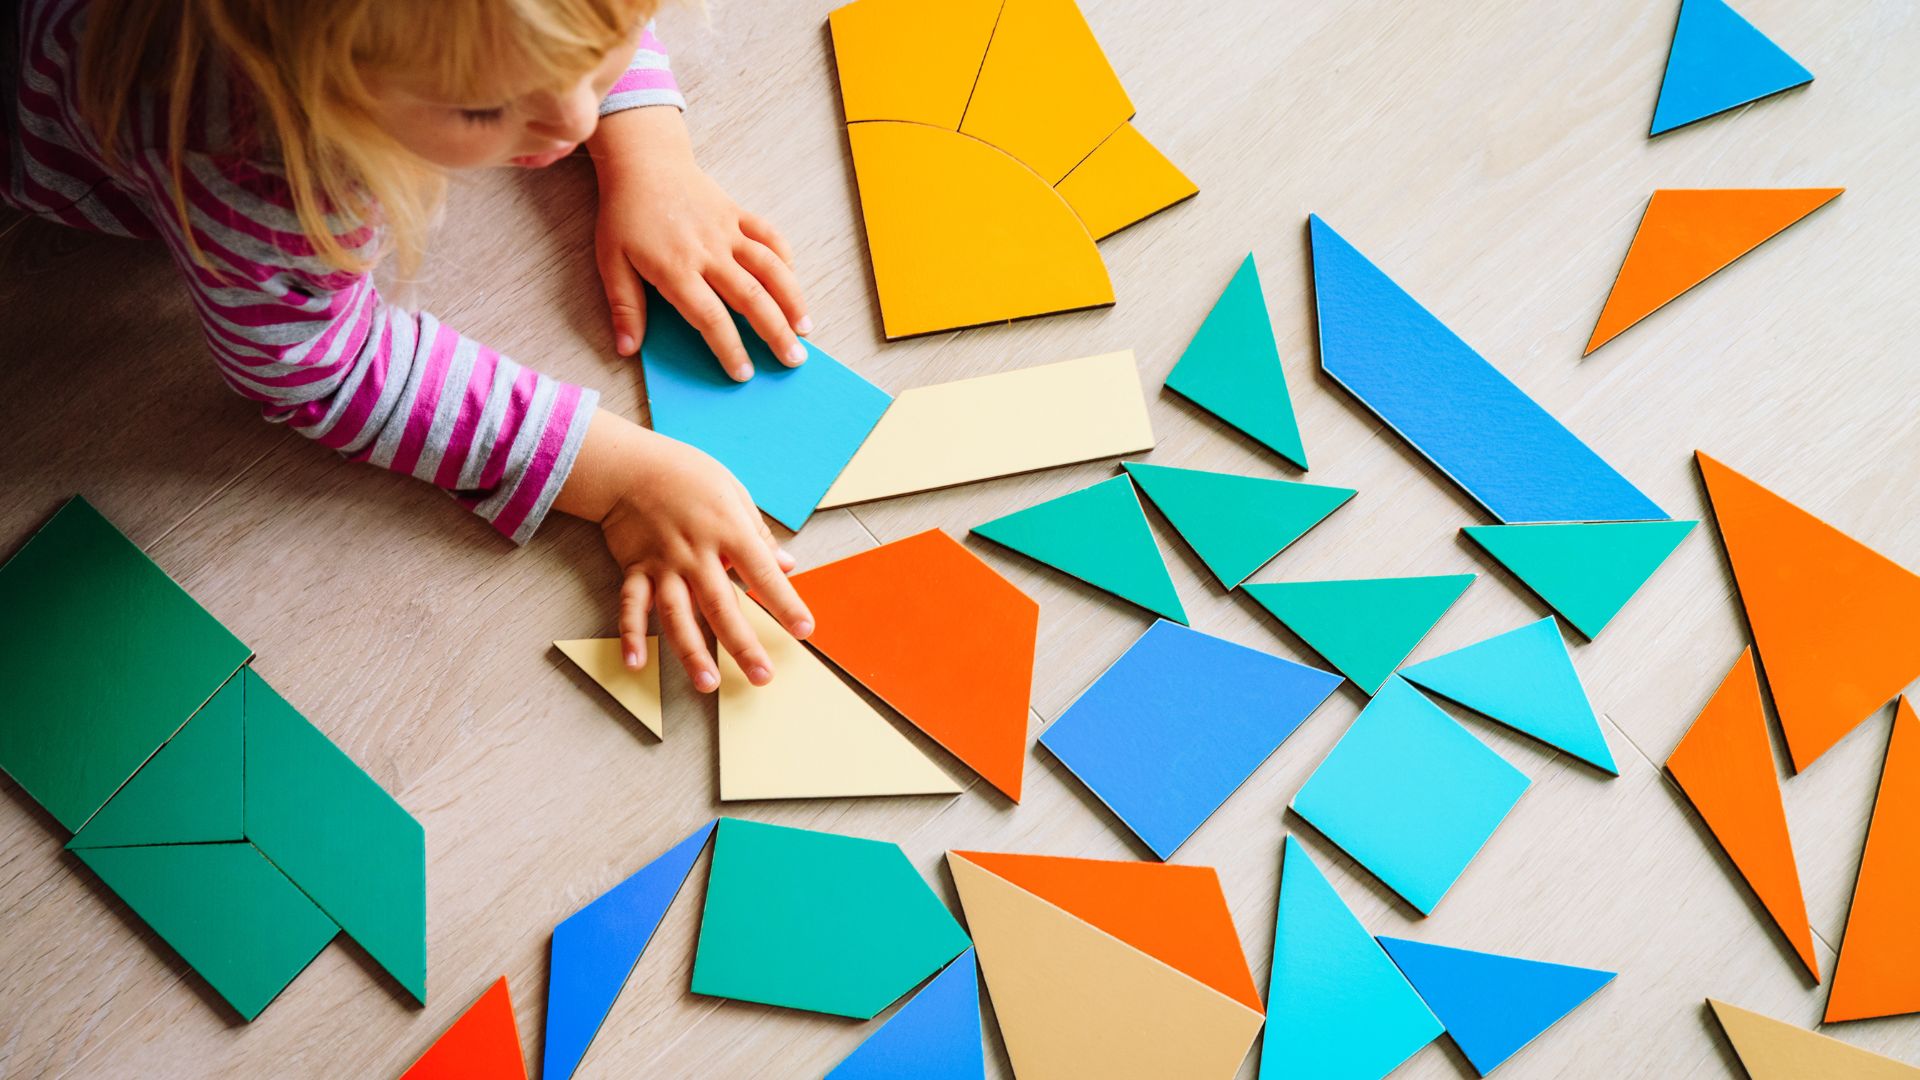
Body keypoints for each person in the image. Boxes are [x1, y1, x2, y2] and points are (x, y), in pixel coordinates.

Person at [2, 0, 818, 693]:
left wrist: (646, 145)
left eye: (604, 44)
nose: (571, 120)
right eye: (481, 107)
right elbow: (317, 365)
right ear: (319, 85)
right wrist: (618, 475)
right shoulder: (254, 158)